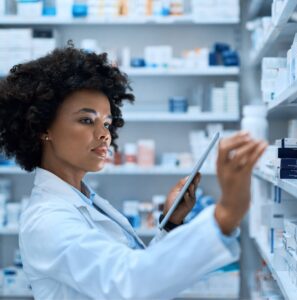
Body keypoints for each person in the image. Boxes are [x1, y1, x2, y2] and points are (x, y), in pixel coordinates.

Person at [0, 45, 267, 300]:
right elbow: (130, 283)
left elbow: (138, 268)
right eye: (86, 120)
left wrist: (171, 222)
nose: (104, 134)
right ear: (42, 128)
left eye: (107, 122)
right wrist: (227, 213)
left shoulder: (86, 199)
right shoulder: (47, 220)